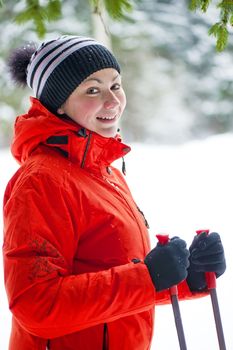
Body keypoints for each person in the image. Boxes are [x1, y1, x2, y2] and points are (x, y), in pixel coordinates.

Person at [3, 35, 226, 350]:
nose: (112, 101)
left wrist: (185, 278)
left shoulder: (103, 171)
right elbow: (37, 305)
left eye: (116, 85)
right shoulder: (41, 181)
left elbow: (112, 281)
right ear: (59, 103)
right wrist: (147, 277)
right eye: (92, 89)